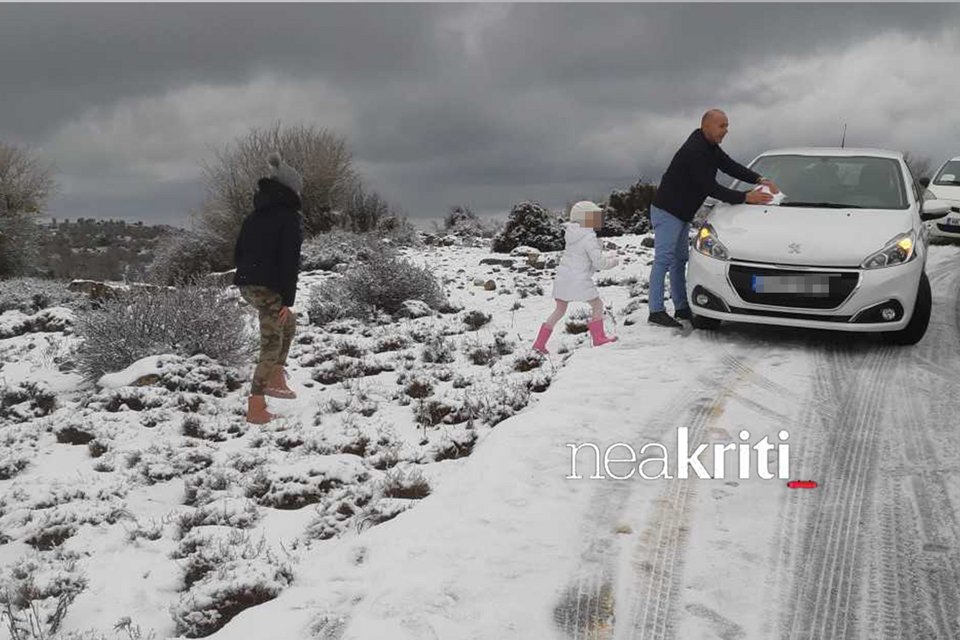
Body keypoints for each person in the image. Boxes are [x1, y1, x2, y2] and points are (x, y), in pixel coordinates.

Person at [647, 109, 779, 328]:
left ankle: (681, 307)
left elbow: (730, 166)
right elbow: (709, 187)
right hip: (668, 212)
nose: (726, 131)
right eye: (722, 126)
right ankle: (656, 310)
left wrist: (759, 178)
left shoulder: (710, 148)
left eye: (727, 126)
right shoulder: (695, 151)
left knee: (679, 260)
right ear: (706, 126)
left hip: (681, 214)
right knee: (664, 259)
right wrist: (746, 197)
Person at [234, 152, 304, 424]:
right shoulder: (288, 217)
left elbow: (238, 252)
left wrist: (249, 275)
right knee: (272, 341)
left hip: (248, 283)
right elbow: (289, 261)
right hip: (268, 287)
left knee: (288, 323)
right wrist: (286, 298)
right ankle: (256, 406)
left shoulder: (255, 216)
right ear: (290, 189)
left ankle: (276, 376)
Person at [532, 201, 619, 354]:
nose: (600, 220)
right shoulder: (589, 237)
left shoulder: (573, 235)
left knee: (559, 310)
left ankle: (539, 343)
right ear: (585, 218)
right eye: (595, 216)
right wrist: (613, 261)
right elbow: (599, 263)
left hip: (563, 278)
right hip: (579, 279)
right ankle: (599, 338)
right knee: (597, 305)